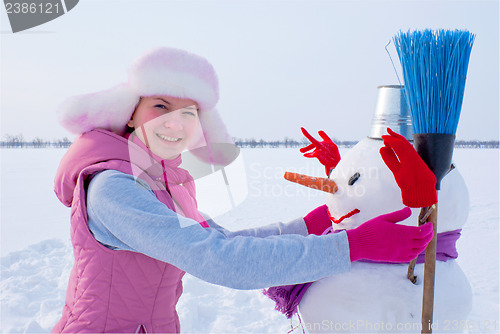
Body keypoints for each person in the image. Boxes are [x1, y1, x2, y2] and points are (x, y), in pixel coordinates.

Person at [52, 47, 435, 333]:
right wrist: (355, 246)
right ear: (131, 112)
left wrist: (314, 223)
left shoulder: (161, 182)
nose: (175, 122)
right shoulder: (113, 188)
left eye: (189, 113)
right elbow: (220, 259)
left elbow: (222, 239)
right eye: (160, 105)